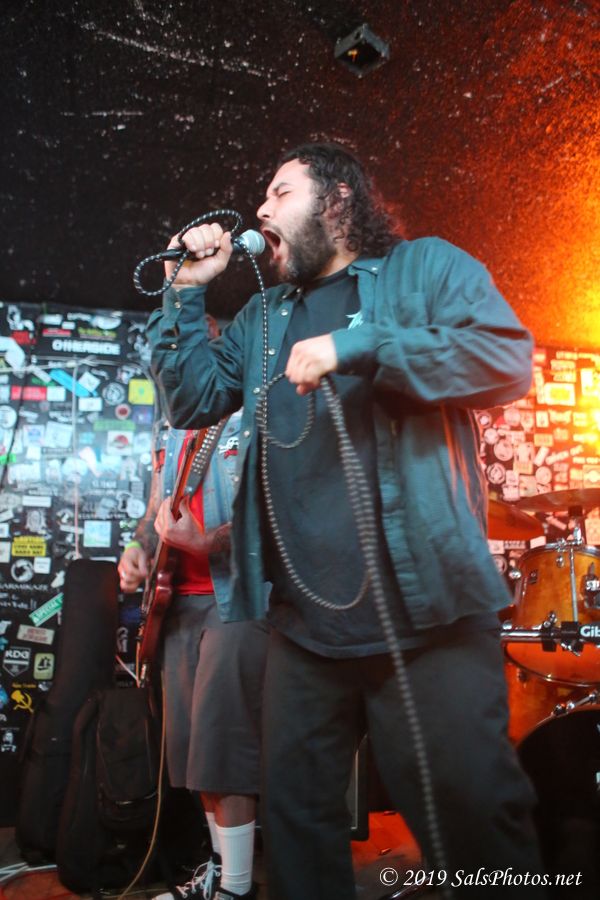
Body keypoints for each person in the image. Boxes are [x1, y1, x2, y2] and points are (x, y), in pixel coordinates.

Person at [146, 142, 547, 898]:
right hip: (303, 631)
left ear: (337, 200)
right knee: (298, 836)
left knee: (474, 828)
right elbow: (190, 400)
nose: (260, 208)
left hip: (427, 620)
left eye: (280, 191)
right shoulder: (263, 318)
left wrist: (358, 345)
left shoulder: (423, 269)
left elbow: (503, 360)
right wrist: (185, 292)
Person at [118, 359, 267, 900]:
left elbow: (271, 513)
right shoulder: (174, 426)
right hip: (177, 605)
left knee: (224, 751)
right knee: (194, 758)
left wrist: (207, 542)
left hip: (237, 603)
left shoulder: (254, 415)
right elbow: (155, 511)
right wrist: (138, 549)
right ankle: (221, 875)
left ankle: (238, 888)